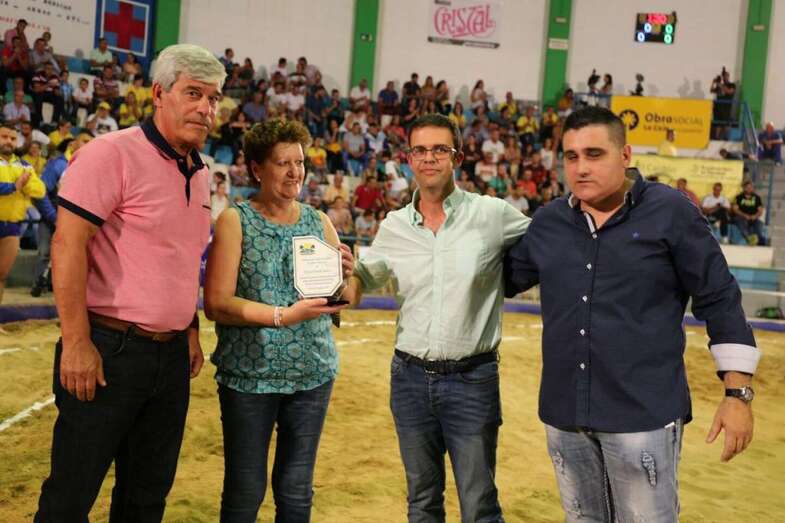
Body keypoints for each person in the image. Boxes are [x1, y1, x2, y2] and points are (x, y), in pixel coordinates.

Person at [505, 106, 760, 523]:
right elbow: (500, 278)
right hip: (565, 416)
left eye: (594, 154)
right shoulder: (549, 222)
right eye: (571, 156)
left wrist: (737, 395)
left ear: (625, 155)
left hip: (643, 417)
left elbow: (719, 298)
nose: (581, 167)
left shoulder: (671, 212)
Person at [34, 44, 226, 522]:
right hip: (107, 350)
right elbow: (67, 245)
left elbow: (182, 259)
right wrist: (76, 342)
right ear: (158, 94)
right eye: (194, 93)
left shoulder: (201, 172)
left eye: (214, 98)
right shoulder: (110, 153)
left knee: (145, 500)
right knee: (70, 499)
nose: (206, 108)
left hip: (170, 359)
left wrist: (189, 328)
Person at [344, 113, 530, 522]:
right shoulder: (395, 225)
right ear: (410, 158)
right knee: (422, 502)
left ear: (457, 157)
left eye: (440, 150)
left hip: (473, 381)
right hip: (409, 380)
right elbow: (361, 280)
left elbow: (548, 242)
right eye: (421, 150)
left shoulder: (492, 214)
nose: (429, 158)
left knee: (479, 505)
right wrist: (335, 280)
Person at [204, 118, 353, 521]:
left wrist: (348, 275)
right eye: (282, 163)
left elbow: (342, 297)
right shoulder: (235, 221)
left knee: (296, 491)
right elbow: (216, 304)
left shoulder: (319, 221)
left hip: (312, 374)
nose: (294, 172)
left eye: (299, 162)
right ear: (257, 168)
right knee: (245, 491)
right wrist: (282, 316)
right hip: (250, 377)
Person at [0, 124, 46, 305]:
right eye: (4, 137)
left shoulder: (24, 165)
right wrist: (15, 186)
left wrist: (22, 185)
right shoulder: (24, 168)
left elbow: (39, 190)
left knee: (2, 275)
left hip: (11, 225)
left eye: (12, 138)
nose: (9, 141)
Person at [732, 180, 766, 245]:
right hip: (741, 217)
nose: (749, 189)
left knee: (759, 224)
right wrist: (744, 215)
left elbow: (760, 211)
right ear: (744, 188)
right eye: (747, 187)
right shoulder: (739, 197)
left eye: (751, 187)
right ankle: (749, 237)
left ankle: (760, 240)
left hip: (753, 217)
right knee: (739, 220)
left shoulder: (757, 198)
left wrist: (755, 216)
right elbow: (735, 209)